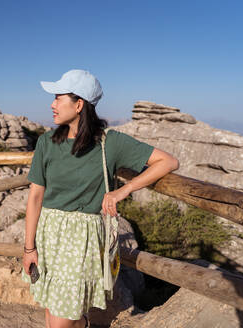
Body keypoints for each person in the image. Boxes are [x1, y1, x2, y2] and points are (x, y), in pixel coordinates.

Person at [21, 69, 179, 328]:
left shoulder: (110, 143)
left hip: (81, 240)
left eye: (59, 98)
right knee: (52, 313)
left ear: (79, 104)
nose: (52, 104)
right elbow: (36, 196)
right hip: (48, 234)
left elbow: (168, 162)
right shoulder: (46, 142)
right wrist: (29, 249)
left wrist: (124, 190)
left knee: (62, 320)